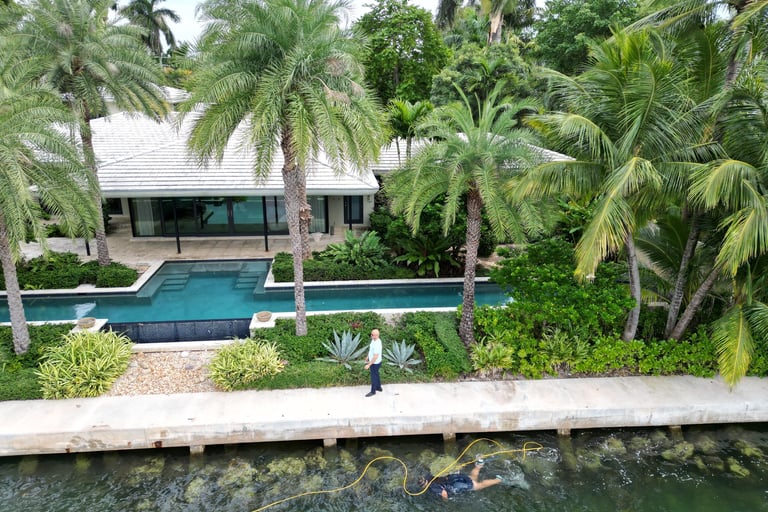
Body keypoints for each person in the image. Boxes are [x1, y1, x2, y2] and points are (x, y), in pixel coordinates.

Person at [418, 457, 504, 500]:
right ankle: (479, 465)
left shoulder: (432, 486)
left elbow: (444, 493)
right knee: (472, 477)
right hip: (454, 478)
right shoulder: (429, 474)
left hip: (457, 484)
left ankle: (498, 480)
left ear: (425, 485)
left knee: (478, 485)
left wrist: (446, 502)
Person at [364, 328, 383, 397]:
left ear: (376, 336)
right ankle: (379, 387)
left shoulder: (377, 344)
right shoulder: (373, 340)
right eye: (371, 334)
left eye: (372, 335)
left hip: (375, 363)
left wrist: (368, 365)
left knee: (374, 377)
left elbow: (375, 356)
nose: (370, 335)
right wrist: (367, 356)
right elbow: (371, 349)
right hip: (374, 361)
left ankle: (373, 391)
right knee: (376, 374)